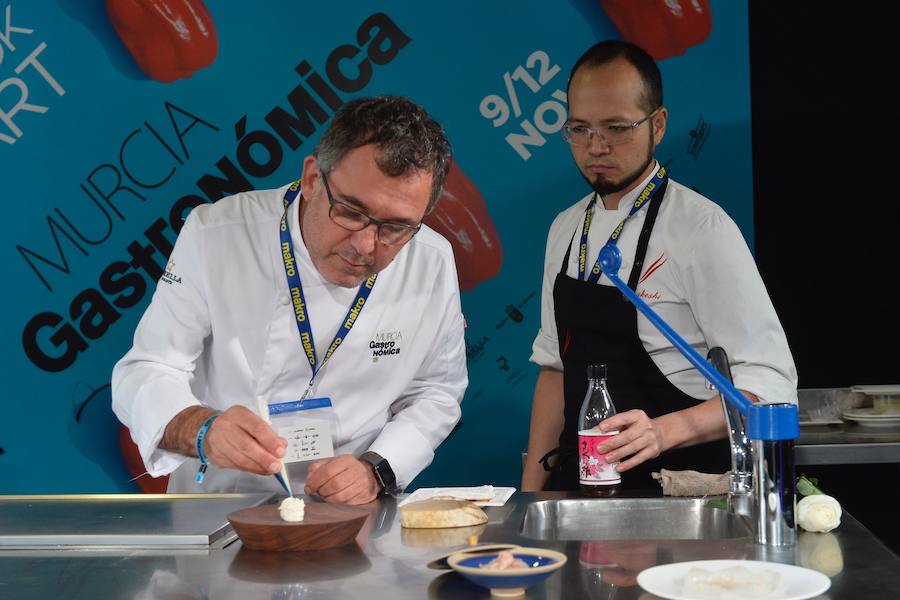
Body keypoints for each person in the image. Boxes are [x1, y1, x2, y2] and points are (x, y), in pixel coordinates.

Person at [113, 96, 467, 504]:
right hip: (220, 507)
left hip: (351, 512)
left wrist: (377, 468)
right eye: (351, 212)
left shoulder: (432, 260)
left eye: (396, 229)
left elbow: (437, 391)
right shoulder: (219, 233)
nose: (366, 246)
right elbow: (143, 371)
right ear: (314, 178)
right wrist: (202, 429)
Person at [521, 41, 797, 492]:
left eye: (617, 127)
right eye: (580, 128)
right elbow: (554, 371)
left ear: (659, 125)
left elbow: (771, 383)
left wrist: (662, 431)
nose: (597, 146)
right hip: (585, 487)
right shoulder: (565, 229)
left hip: (681, 490)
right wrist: (530, 499)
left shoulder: (701, 228)